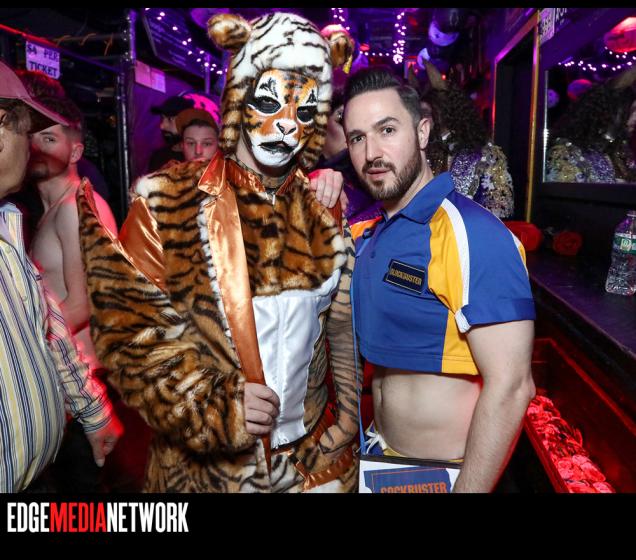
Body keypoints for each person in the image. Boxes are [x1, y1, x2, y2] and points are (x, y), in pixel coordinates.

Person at [76, 12, 359, 493]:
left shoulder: (323, 206)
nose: (286, 125)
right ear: (239, 96)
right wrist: (217, 406)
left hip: (310, 469)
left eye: (305, 110)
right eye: (269, 101)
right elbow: (131, 338)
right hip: (207, 475)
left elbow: (339, 328)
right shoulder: (164, 202)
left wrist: (347, 421)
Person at [343, 67, 536, 492]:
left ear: (423, 131)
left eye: (387, 130)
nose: (372, 152)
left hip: (449, 474)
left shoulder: (474, 234)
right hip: (381, 459)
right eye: (357, 137)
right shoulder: (367, 232)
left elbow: (512, 386)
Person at [0, 59, 121, 493]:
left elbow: (83, 304)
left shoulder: (75, 208)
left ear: (75, 152)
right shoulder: (24, 214)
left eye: (47, 137)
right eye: (31, 134)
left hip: (83, 378)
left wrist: (28, 343)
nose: (34, 146)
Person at [420, 61, 515, 219]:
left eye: (426, 113)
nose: (420, 120)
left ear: (446, 112)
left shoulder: (484, 153)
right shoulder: (423, 152)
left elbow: (501, 207)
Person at [546, 67, 636, 183]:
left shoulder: (618, 152)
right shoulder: (567, 153)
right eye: (631, 110)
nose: (634, 118)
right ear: (609, 111)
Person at [147, 95, 195, 172]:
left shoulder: (201, 156)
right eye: (162, 118)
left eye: (170, 119)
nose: (162, 126)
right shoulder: (158, 157)